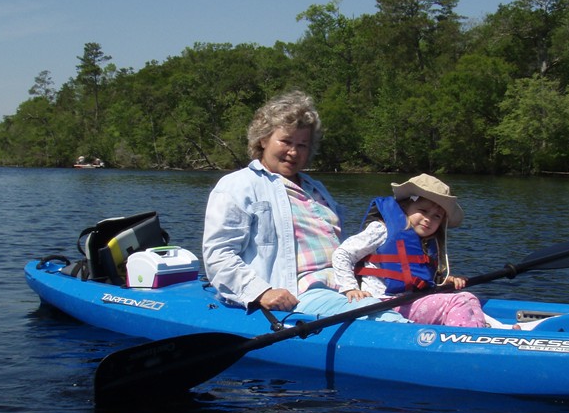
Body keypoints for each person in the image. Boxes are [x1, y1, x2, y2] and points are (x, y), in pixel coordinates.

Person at [202, 91, 406, 321]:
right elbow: (218, 255)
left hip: (346, 285)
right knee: (384, 319)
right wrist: (261, 292)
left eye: (302, 145)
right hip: (302, 292)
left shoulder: (315, 188)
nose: (293, 152)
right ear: (263, 139)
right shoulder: (238, 185)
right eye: (286, 141)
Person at [332, 174, 495, 328]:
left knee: (469, 297)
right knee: (458, 302)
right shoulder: (382, 230)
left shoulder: (424, 242)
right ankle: (465, 343)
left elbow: (417, 277)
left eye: (437, 217)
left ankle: (483, 334)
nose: (428, 219)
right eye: (423, 211)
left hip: (410, 301)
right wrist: (350, 288)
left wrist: (444, 281)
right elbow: (342, 254)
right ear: (405, 207)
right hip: (384, 303)